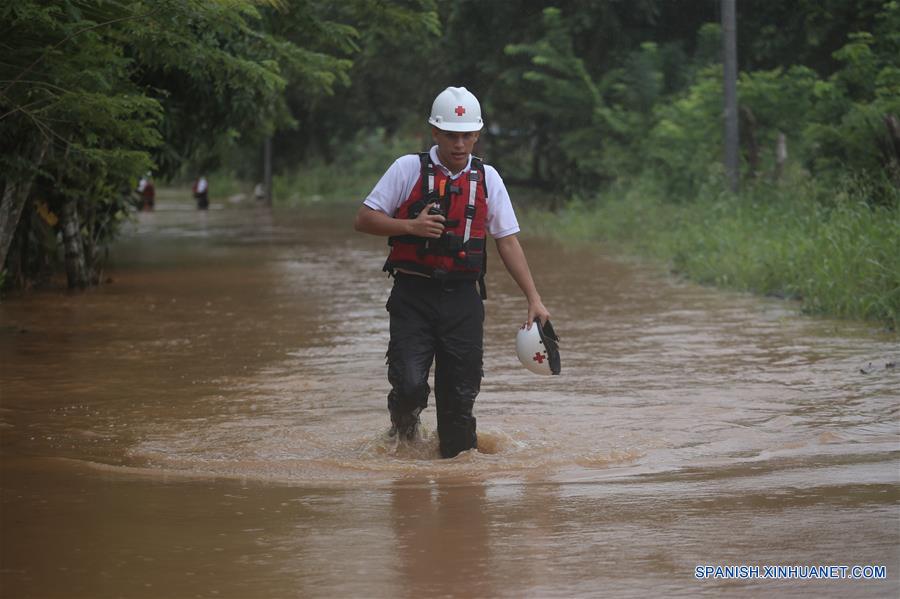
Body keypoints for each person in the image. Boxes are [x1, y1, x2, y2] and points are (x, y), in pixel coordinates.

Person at [354, 86, 551, 459]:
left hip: (463, 300)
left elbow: (507, 241)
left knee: (459, 405)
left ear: (477, 135)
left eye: (467, 136)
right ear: (435, 133)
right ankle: (404, 435)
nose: (459, 144)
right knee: (410, 385)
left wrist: (533, 298)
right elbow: (364, 219)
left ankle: (459, 492)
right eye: (451, 135)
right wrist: (410, 227)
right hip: (413, 295)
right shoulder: (406, 168)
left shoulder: (488, 178)